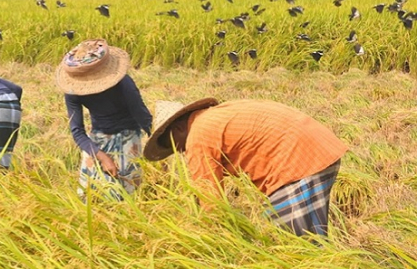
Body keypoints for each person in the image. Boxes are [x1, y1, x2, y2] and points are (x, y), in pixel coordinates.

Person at [143, 99, 349, 237]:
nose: (181, 152)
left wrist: (209, 240)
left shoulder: (198, 135)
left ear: (178, 128)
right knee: (310, 235)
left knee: (288, 240)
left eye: (175, 145)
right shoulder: (216, 115)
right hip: (316, 148)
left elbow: (211, 201)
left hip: (297, 161)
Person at [55, 39, 152, 201]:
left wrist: (157, 142)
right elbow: (77, 131)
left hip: (128, 134)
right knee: (88, 195)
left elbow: (142, 115)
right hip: (97, 137)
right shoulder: (73, 90)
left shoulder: (122, 83)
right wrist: (102, 156)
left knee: (126, 194)